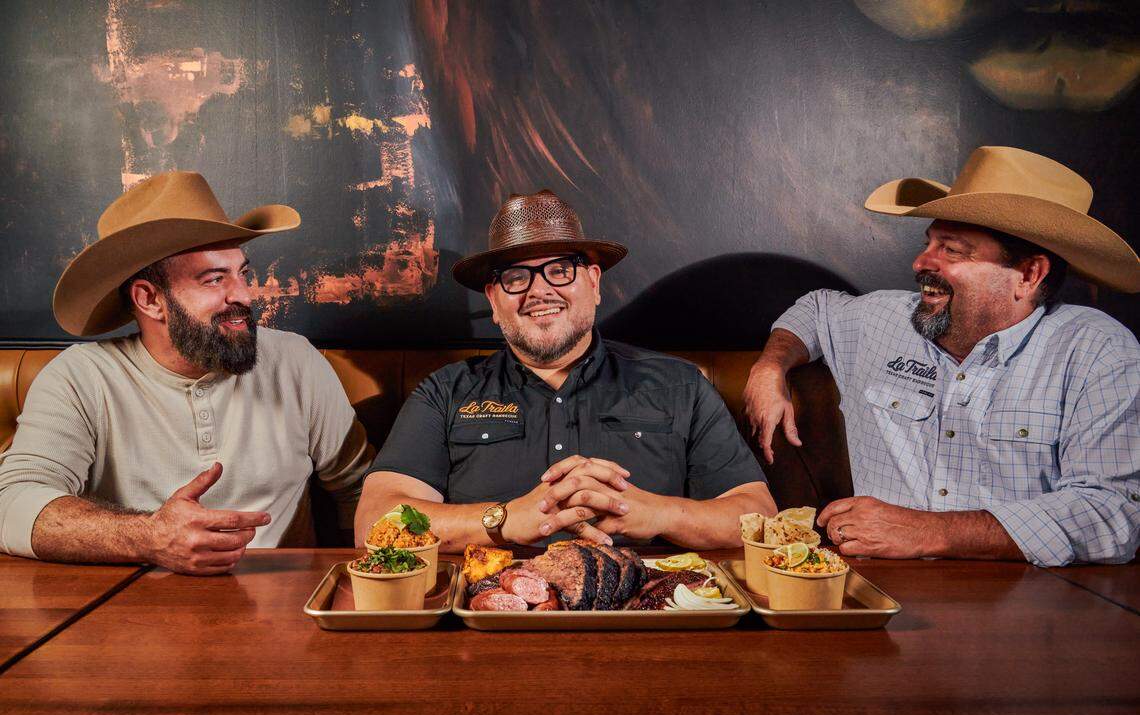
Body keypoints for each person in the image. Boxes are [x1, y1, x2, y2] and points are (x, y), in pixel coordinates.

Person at [744, 146, 1140, 566]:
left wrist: (928, 531)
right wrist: (771, 366)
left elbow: (1113, 514)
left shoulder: (1098, 353)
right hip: (883, 598)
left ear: (1028, 275)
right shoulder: (884, 319)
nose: (920, 263)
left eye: (952, 250)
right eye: (929, 242)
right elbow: (816, 309)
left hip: (1027, 611)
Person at [0, 172, 373, 574]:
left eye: (242, 273)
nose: (245, 295)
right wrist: (150, 538)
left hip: (283, 616)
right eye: (214, 279)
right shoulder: (80, 378)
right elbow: (12, 502)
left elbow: (363, 492)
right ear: (150, 299)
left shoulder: (295, 361)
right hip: (131, 620)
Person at [358, 190, 773, 551]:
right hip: (492, 617)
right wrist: (502, 519)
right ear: (493, 301)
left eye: (560, 270)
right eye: (517, 277)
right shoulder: (445, 392)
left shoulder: (681, 387)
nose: (540, 290)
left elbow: (757, 515)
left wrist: (659, 514)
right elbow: (374, 521)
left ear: (593, 283)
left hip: (651, 616)